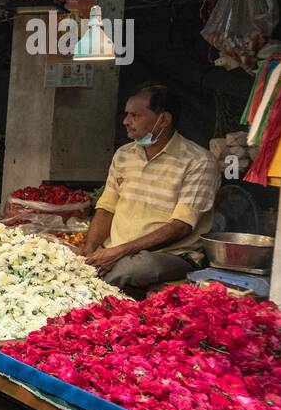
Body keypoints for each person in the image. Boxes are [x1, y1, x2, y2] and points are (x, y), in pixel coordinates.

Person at [83, 83, 219, 298]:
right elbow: (107, 208)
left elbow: (180, 227)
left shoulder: (198, 161)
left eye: (135, 115)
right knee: (79, 263)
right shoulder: (123, 155)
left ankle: (88, 300)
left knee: (133, 268)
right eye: (126, 114)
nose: (126, 121)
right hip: (116, 250)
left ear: (163, 120)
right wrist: (89, 250)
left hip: (168, 255)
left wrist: (119, 252)